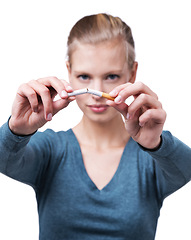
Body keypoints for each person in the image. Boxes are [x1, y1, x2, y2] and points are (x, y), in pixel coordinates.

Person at [0, 13, 191, 240]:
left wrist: (157, 144)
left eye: (111, 76)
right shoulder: (50, 150)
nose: (96, 92)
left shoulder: (151, 160)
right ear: (68, 71)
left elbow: (185, 169)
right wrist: (17, 130)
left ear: (132, 73)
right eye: (83, 76)